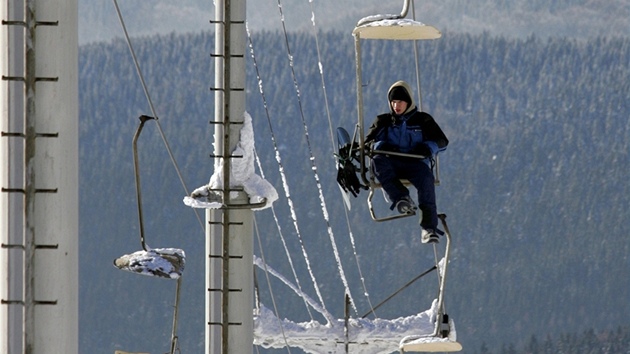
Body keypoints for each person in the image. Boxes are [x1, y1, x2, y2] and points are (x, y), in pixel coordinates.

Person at [365, 80, 449, 243]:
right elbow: (368, 144)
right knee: (378, 162)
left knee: (426, 179)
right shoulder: (384, 122)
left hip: (415, 164)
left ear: (408, 102)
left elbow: (442, 141)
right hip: (392, 164)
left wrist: (427, 148)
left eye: (401, 101)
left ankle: (428, 227)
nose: (397, 105)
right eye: (393, 102)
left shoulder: (422, 121)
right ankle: (401, 197)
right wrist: (381, 145)